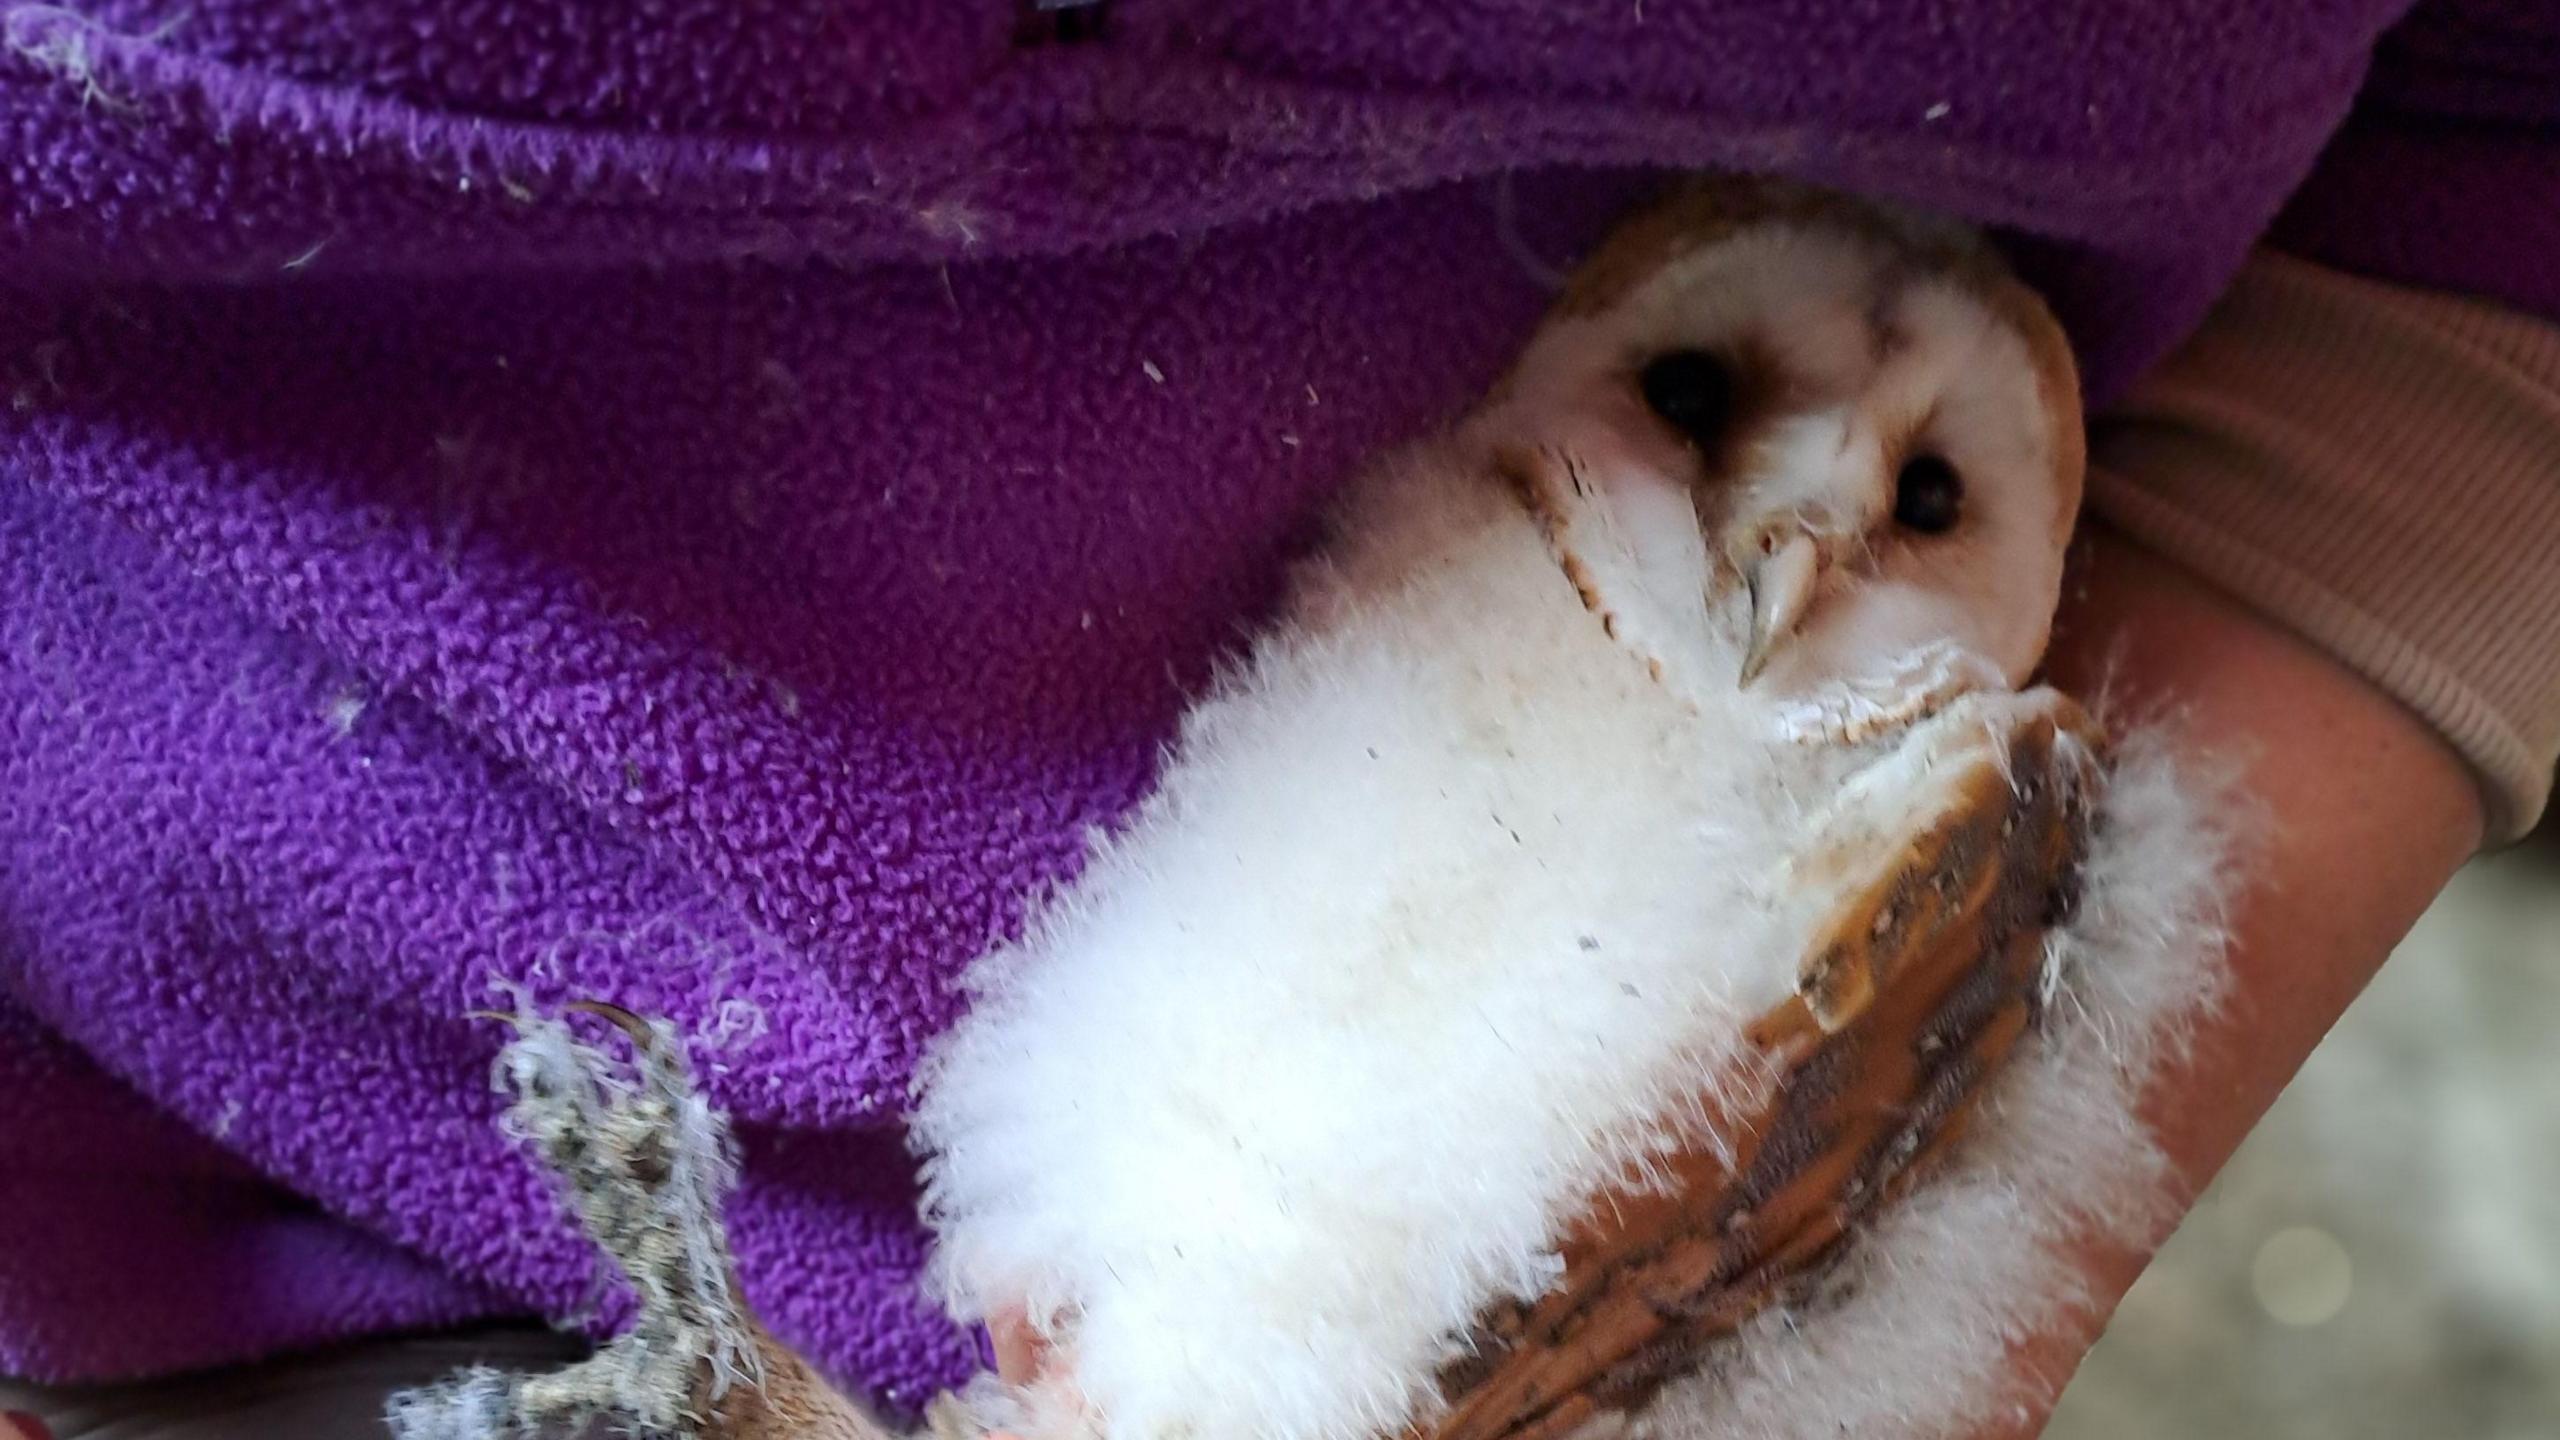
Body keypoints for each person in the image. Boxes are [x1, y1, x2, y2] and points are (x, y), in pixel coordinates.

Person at [1, 1, 2553, 1435]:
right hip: (250, 1299)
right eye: (1696, 406)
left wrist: (1874, 1313)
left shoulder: (1934, 816)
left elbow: (2501, 136)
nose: (1785, 550)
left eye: (1912, 499)